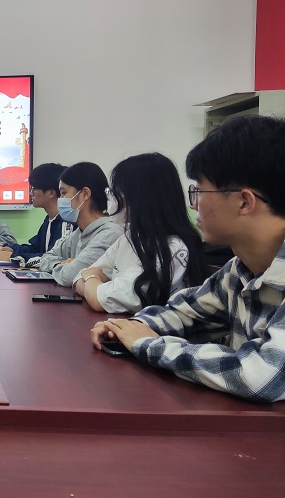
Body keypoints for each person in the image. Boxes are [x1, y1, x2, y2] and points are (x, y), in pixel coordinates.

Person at [91, 116, 285, 402]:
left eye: (198, 191)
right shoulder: (240, 269)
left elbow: (262, 376)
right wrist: (123, 328)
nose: (193, 204)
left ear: (244, 201)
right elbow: (184, 313)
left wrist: (147, 344)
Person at [73, 153, 209, 313]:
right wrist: (93, 283)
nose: (112, 198)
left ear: (140, 197)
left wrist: (91, 277)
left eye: (117, 192)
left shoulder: (172, 248)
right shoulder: (130, 238)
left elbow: (99, 299)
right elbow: (78, 279)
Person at [36, 162, 123, 286]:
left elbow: (69, 276)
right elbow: (46, 257)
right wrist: (58, 264)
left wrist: (66, 267)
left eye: (63, 193)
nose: (60, 199)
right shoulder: (79, 232)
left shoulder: (109, 234)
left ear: (85, 194)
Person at [0, 163, 72, 262]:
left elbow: (54, 259)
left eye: (34, 189)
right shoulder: (49, 219)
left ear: (51, 193)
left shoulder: (67, 223)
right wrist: (11, 248)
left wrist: (14, 256)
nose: (31, 193)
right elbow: (35, 248)